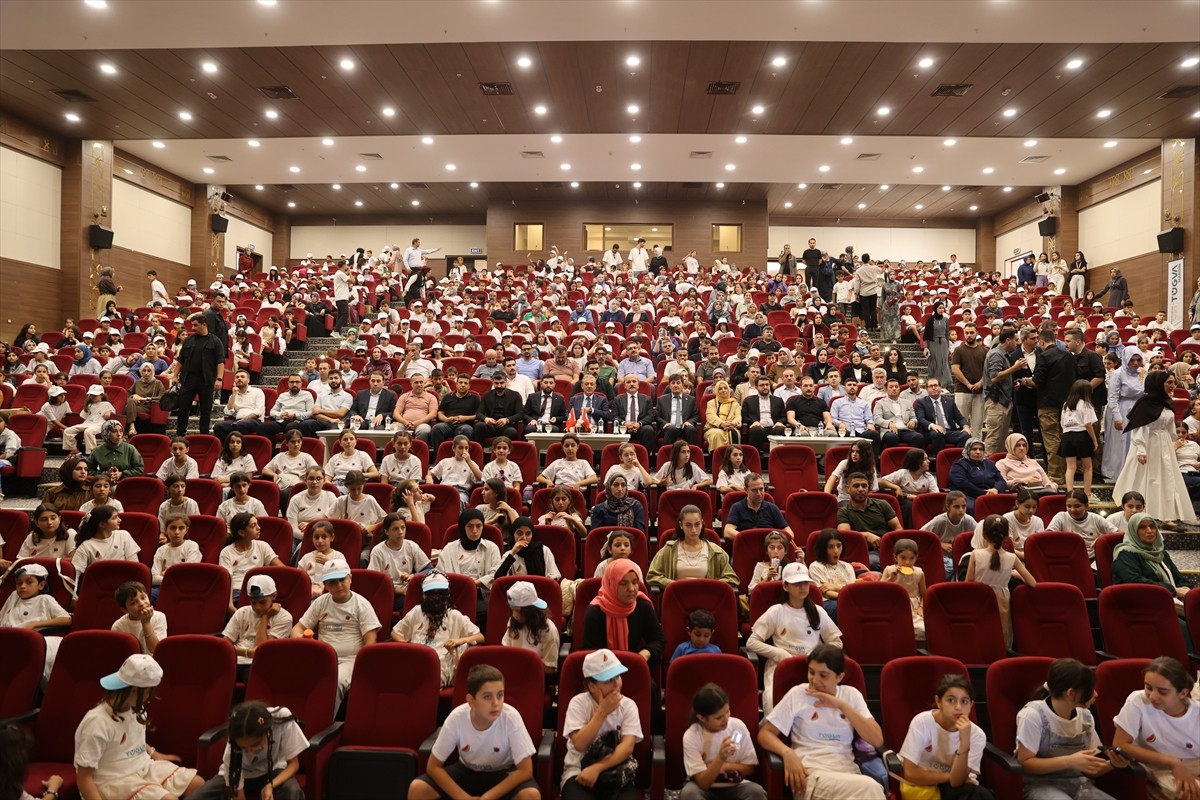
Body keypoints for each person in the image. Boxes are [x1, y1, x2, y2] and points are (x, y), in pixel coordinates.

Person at [758, 643, 886, 800]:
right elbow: (765, 734)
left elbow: (877, 739)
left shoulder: (851, 695)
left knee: (866, 789)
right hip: (810, 774)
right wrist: (787, 753)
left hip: (848, 773)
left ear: (839, 677)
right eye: (811, 672)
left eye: (823, 675)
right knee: (871, 788)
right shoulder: (798, 694)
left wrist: (841, 705)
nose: (814, 680)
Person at [73, 654, 204, 800]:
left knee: (197, 785)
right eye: (149, 692)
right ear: (134, 690)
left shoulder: (137, 711)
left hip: (142, 767)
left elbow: (130, 739)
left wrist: (155, 754)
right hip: (112, 781)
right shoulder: (97, 722)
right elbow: (84, 779)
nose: (149, 698)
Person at [409, 664, 540, 800]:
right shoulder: (457, 717)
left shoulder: (511, 717)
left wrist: (488, 797)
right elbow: (433, 766)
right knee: (418, 789)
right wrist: (463, 798)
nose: (496, 703)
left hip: (503, 772)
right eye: (487, 697)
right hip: (467, 770)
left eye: (500, 695)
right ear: (471, 701)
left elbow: (525, 770)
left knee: (531, 795)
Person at [1015, 657, 1128, 800]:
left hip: (1079, 784)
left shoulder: (1086, 717)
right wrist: (1070, 761)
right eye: (1090, 689)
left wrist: (1112, 764)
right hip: (1039, 785)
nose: (1095, 694)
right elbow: (1025, 763)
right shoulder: (1033, 715)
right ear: (1071, 693)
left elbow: (1090, 769)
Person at [747, 563, 844, 712]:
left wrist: (817, 654)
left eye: (805, 583)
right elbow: (752, 642)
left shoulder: (817, 611)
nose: (802, 587)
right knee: (773, 703)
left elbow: (836, 642)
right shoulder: (777, 611)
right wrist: (779, 654)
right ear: (786, 586)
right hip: (781, 666)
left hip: (813, 667)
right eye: (797, 584)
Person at [292, 558, 381, 709]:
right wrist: (300, 639)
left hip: (350, 660)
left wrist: (362, 664)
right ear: (325, 585)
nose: (339, 585)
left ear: (350, 578)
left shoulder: (362, 604)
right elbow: (297, 628)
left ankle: (321, 725)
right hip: (322, 657)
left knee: (335, 681)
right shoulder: (321, 602)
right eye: (332, 582)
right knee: (297, 678)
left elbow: (370, 641)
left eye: (342, 580)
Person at [559, 647, 643, 800]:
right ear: (592, 686)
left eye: (617, 676)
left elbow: (627, 747)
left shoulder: (629, 706)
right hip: (579, 772)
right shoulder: (578, 703)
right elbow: (579, 744)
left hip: (616, 771)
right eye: (609, 680)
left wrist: (597, 768)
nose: (616, 684)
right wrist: (602, 712)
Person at [1112, 657, 1200, 800]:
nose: (1153, 696)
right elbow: (1120, 744)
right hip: (1160, 766)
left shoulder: (1197, 712)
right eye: (1148, 687)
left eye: (1163, 692)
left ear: (1183, 693)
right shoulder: (1138, 701)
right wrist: (1173, 762)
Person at [1115, 371, 1197, 522]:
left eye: (1173, 382)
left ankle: (1167, 512)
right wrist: (1141, 449)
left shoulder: (1166, 402)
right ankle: (1143, 509)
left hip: (1164, 444)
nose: (1173, 386)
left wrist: (1173, 440)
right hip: (1149, 444)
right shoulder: (1146, 403)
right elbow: (1140, 428)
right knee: (1150, 476)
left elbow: (1170, 426)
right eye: (1169, 383)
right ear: (1158, 384)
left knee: (1166, 476)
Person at [898, 674, 993, 800]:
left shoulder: (977, 735)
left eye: (964, 701)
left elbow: (956, 782)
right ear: (938, 702)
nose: (958, 707)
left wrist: (964, 742)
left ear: (971, 705)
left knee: (982, 795)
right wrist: (949, 776)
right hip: (923, 786)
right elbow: (910, 773)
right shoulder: (922, 722)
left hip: (957, 789)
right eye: (951, 700)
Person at [189, 701, 307, 800]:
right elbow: (238, 793)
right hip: (237, 773)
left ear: (267, 731)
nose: (250, 752)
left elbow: (294, 764)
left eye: (255, 745)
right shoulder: (234, 740)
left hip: (272, 771)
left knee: (292, 791)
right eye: (244, 748)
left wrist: (270, 786)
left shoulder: (281, 718)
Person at [391, 571, 484, 687]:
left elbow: (480, 637)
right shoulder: (416, 611)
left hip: (442, 664)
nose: (435, 598)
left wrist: (460, 640)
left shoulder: (454, 615)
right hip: (415, 659)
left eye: (440, 594)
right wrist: (405, 644)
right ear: (424, 595)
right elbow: (395, 632)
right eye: (431, 594)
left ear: (447, 595)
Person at [680, 682, 766, 800]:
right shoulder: (692, 735)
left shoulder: (737, 727)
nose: (726, 719)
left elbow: (750, 768)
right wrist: (720, 758)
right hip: (703, 788)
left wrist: (726, 766)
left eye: (727, 712)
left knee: (756, 792)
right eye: (719, 717)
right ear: (702, 718)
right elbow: (703, 783)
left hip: (734, 785)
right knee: (689, 794)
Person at [967, 515, 1036, 648]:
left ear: (984, 535)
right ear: (1006, 537)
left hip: (979, 599)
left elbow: (969, 582)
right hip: (1002, 600)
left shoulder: (976, 554)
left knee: (980, 633)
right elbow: (1032, 583)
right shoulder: (1012, 557)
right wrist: (1012, 573)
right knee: (1001, 634)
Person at [582, 559, 664, 669]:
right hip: (602, 671)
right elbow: (591, 653)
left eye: (635, 582)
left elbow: (658, 640)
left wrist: (646, 653)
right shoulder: (595, 611)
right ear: (612, 584)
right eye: (624, 583)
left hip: (633, 666)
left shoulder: (642, 606)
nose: (631, 589)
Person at [220, 574, 293, 683]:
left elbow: (261, 650)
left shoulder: (284, 617)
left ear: (274, 596)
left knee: (255, 680)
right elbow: (224, 646)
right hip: (234, 660)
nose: (257, 607)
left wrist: (265, 617)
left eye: (262, 602)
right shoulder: (242, 612)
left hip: (260, 664)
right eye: (253, 602)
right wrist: (247, 652)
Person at [648, 504, 738, 590]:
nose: (694, 530)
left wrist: (713, 584)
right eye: (688, 525)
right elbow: (652, 575)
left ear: (702, 523)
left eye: (697, 524)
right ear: (681, 525)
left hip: (706, 598)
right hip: (677, 598)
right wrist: (671, 583)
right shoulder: (669, 549)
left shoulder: (716, 551)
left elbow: (732, 578)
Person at [168, 312, 225, 437]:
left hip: (207, 381)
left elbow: (220, 362)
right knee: (183, 408)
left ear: (204, 325)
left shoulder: (215, 341)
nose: (192, 328)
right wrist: (174, 375)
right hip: (189, 379)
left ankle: (203, 436)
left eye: (195, 325)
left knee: (205, 411)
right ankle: (180, 435)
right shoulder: (188, 340)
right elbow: (181, 360)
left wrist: (219, 379)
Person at [1112, 513, 1190, 602]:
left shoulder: (1159, 552)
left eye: (1152, 526)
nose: (1149, 531)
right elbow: (1135, 582)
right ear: (1134, 531)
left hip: (1168, 599)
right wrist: (1174, 591)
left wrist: (1185, 588)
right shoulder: (1125, 554)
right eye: (1142, 527)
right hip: (1141, 604)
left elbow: (1178, 577)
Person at [836, 472, 900, 569]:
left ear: (868, 488)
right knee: (873, 562)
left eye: (864, 486)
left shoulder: (882, 504)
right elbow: (845, 534)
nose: (860, 489)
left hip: (886, 548)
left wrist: (889, 544)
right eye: (856, 486)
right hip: (862, 551)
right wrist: (866, 535)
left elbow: (898, 528)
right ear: (848, 488)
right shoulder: (843, 511)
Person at [502, 580, 560, 673]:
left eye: (518, 611)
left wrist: (525, 663)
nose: (514, 615)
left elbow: (550, 668)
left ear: (530, 611)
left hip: (533, 676)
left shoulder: (549, 631)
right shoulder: (513, 621)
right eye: (512, 610)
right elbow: (505, 650)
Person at [1045, 489, 1119, 562]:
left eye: (1077, 506)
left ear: (1086, 506)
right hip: (1068, 558)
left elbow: (1119, 534)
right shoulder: (1061, 516)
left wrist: (1101, 539)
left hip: (1092, 558)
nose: (1072, 510)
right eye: (1069, 506)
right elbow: (1047, 536)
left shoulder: (1096, 518)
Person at [921, 490, 977, 578]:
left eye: (963, 506)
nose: (961, 510)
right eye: (956, 507)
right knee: (949, 568)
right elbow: (921, 535)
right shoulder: (940, 520)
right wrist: (940, 543)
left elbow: (980, 536)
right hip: (943, 555)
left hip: (961, 555)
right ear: (948, 507)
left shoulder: (968, 520)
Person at [722, 473, 792, 542]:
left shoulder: (772, 508)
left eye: (761, 489)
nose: (758, 494)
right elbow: (728, 531)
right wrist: (751, 539)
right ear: (746, 490)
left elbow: (789, 532)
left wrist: (775, 540)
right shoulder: (737, 507)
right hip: (747, 547)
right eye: (754, 490)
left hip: (769, 550)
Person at [1059, 379, 1099, 500]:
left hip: (1067, 435)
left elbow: (1062, 423)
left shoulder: (1066, 404)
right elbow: (1088, 424)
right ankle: (1087, 494)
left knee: (1070, 467)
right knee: (1087, 467)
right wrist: (1094, 440)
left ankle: (1070, 493)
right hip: (1081, 435)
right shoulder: (1086, 404)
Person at [880, 447, 939, 527]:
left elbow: (935, 495)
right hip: (905, 501)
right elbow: (882, 481)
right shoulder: (903, 473)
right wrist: (897, 488)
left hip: (922, 502)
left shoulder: (928, 477)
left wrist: (917, 498)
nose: (928, 461)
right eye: (925, 459)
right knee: (909, 506)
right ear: (917, 461)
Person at [914, 378, 972, 455]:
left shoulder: (949, 401)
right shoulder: (921, 402)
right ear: (927, 389)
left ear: (940, 387)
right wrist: (932, 425)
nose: (934, 388)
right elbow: (921, 419)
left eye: (935, 385)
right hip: (932, 433)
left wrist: (965, 426)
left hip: (949, 432)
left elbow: (959, 418)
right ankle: (937, 460)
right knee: (937, 434)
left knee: (966, 435)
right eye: (931, 386)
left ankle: (954, 459)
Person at [923, 301, 953, 388]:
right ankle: (934, 381)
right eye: (939, 308)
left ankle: (945, 382)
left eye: (942, 308)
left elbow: (947, 334)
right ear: (935, 309)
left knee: (944, 362)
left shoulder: (946, 320)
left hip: (943, 342)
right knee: (935, 361)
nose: (941, 310)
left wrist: (948, 347)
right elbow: (926, 335)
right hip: (933, 342)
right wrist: (926, 347)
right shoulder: (930, 320)